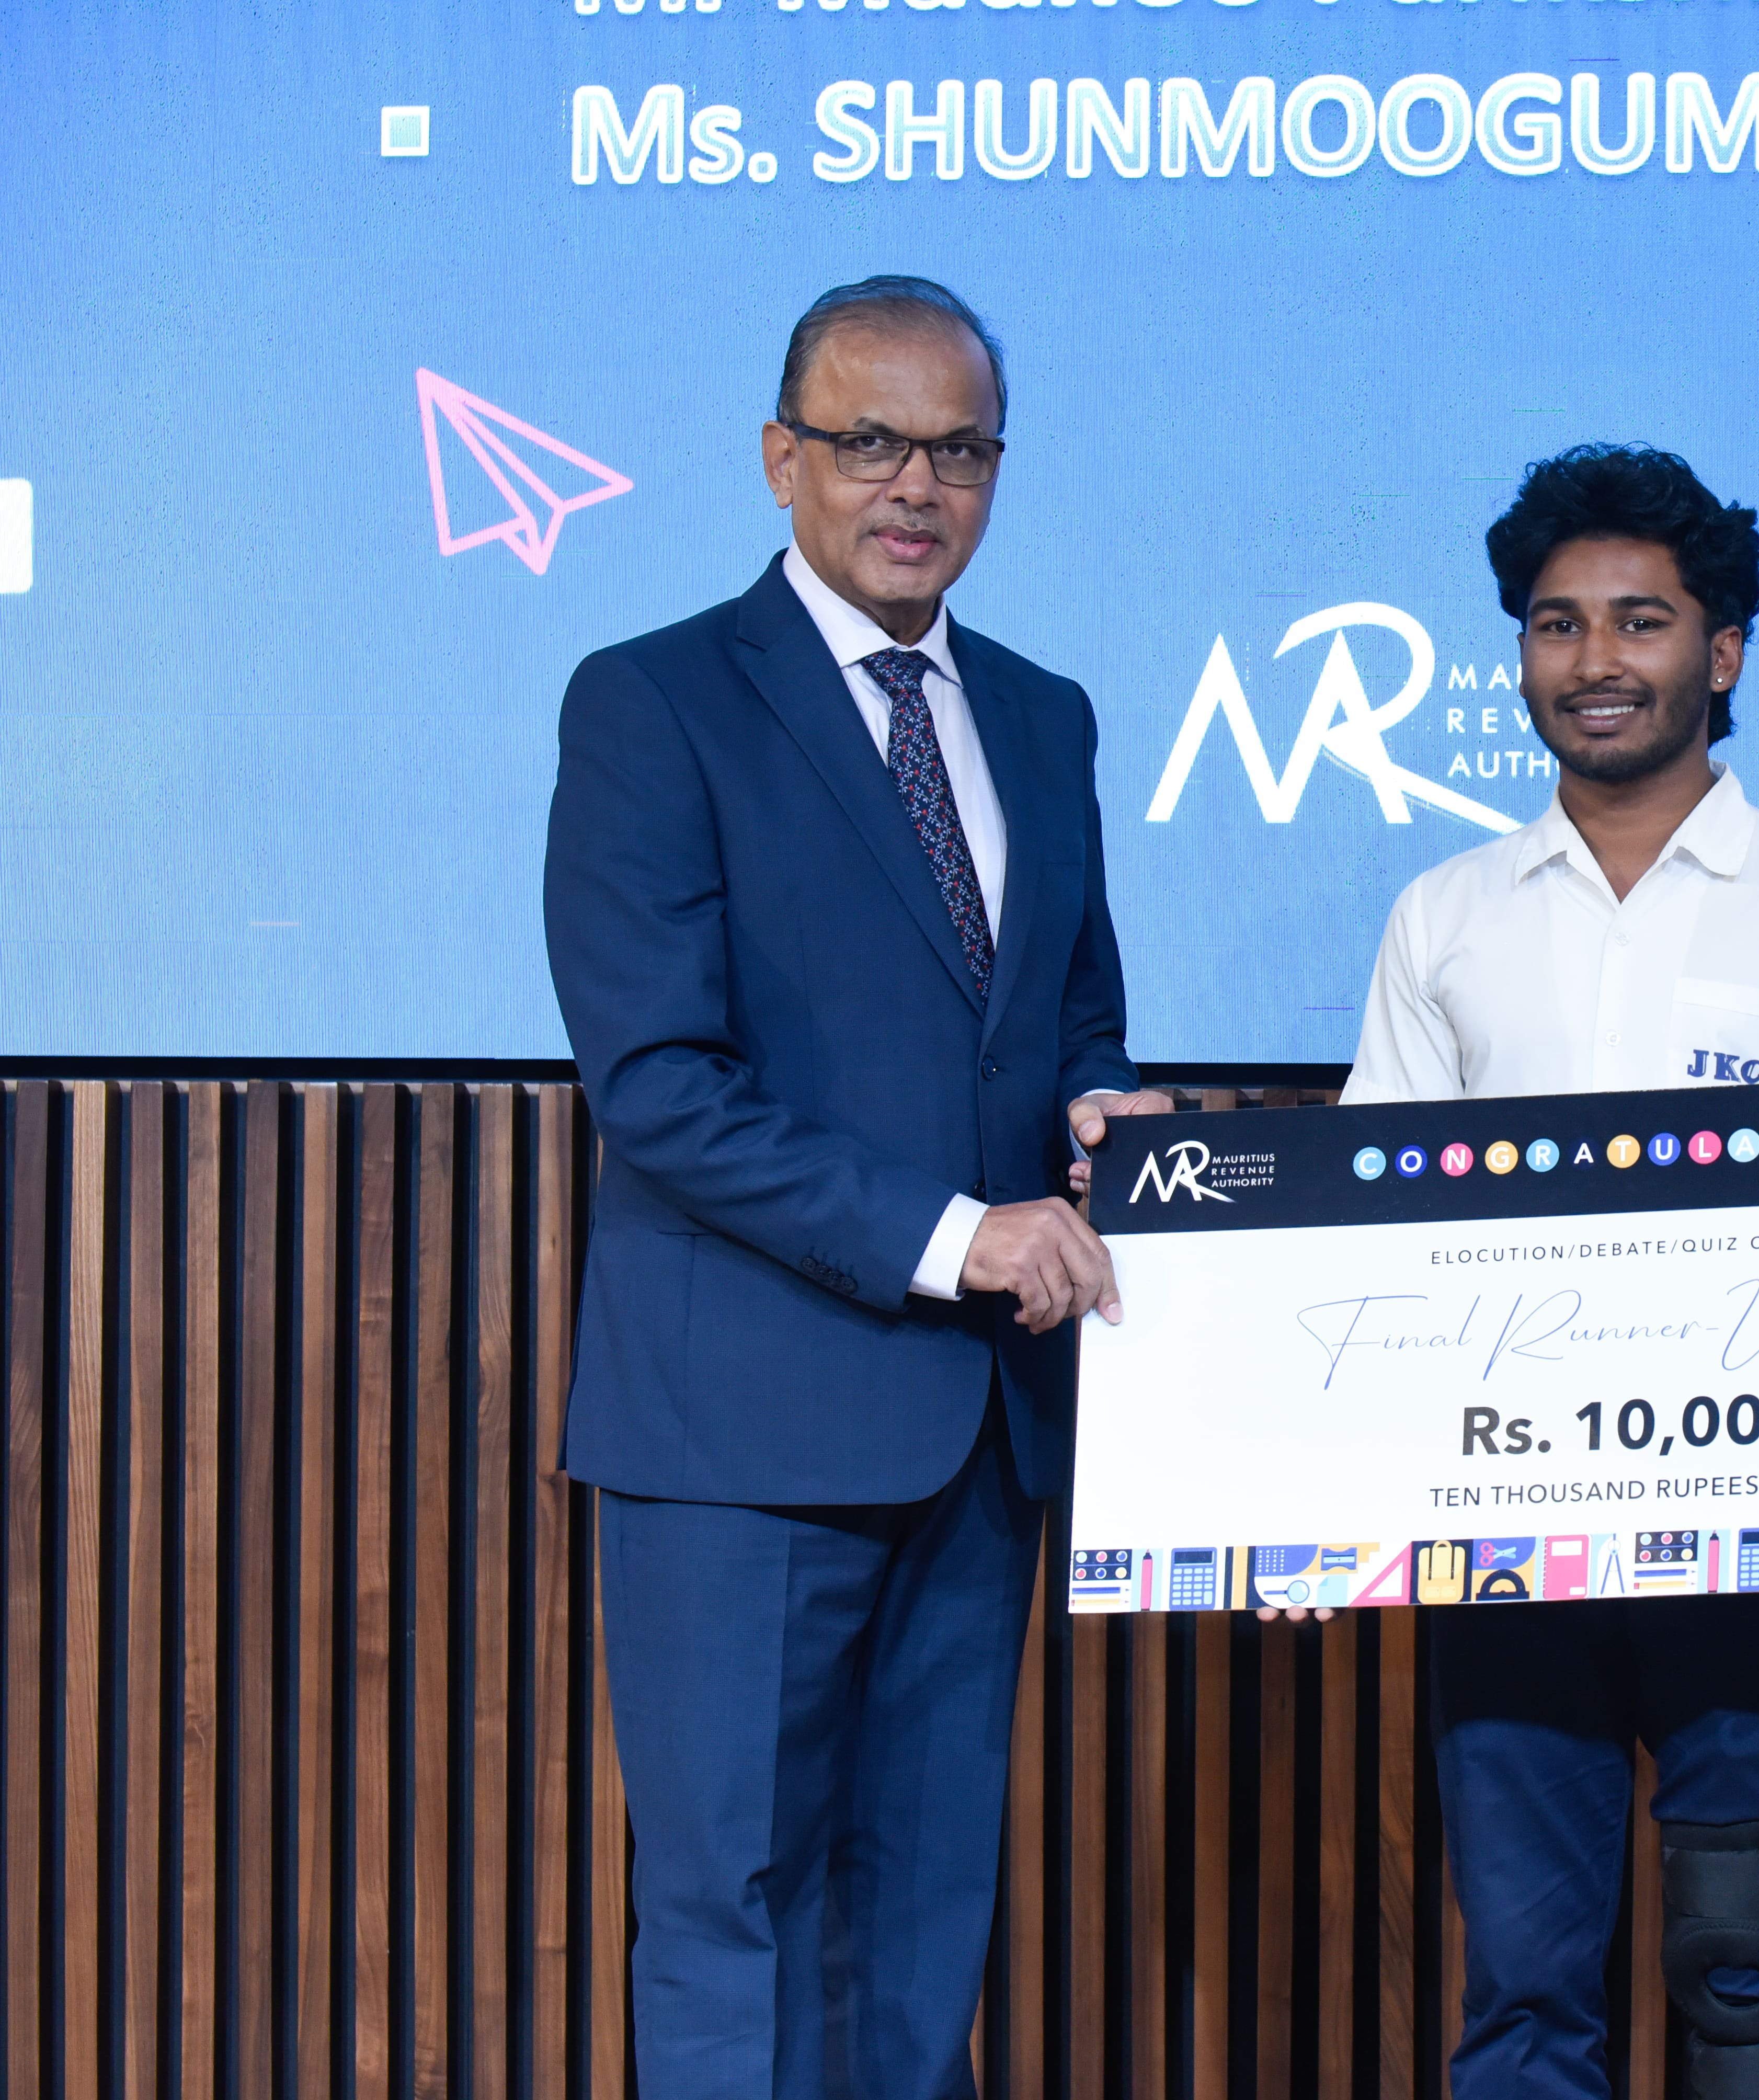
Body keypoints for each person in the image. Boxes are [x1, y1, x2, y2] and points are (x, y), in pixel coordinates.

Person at [542, 275, 1168, 2100]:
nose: (916, 485)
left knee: (924, 1920)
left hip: (983, 1434)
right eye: (871, 441)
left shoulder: (1044, 715)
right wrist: (964, 1238)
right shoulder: (653, 701)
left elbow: (1071, 1014)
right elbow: (660, 1087)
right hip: (740, 1431)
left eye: (959, 450)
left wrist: (1102, 1111)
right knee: (733, 1913)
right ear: (781, 458)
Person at [1338, 443, 1759, 2100]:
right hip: (1503, 1532)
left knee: (1754, 1982)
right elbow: (1368, 1244)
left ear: (1722, 653)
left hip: (1758, 1532)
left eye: (1641, 621)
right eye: (1557, 625)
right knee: (1526, 1997)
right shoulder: (1444, 916)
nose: (1594, 660)